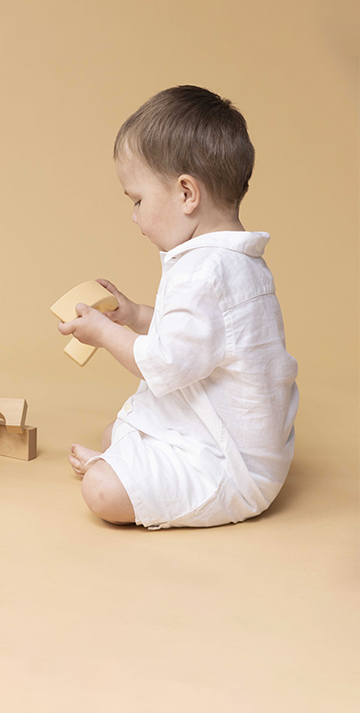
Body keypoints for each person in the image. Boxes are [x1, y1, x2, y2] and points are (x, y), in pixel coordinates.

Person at [60, 86, 298, 529]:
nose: (134, 217)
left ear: (187, 193)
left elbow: (167, 363)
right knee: (117, 432)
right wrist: (134, 316)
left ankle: (117, 471)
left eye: (137, 200)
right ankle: (124, 460)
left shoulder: (202, 272)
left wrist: (105, 333)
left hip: (226, 464)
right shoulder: (235, 260)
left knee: (102, 491)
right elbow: (200, 340)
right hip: (241, 445)